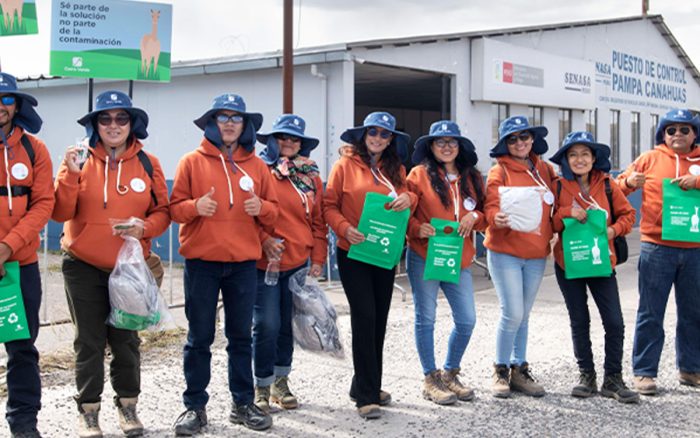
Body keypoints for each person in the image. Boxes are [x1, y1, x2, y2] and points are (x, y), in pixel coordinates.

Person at [53, 90, 170, 437]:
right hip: (83, 264)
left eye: (122, 118)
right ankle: (89, 412)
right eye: (105, 118)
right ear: (95, 125)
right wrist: (71, 175)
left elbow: (163, 212)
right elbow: (60, 212)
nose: (114, 125)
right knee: (88, 340)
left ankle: (128, 407)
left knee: (125, 339)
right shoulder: (76, 159)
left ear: (132, 124)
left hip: (131, 267)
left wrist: (144, 228)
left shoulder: (149, 163)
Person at [170, 94, 278, 435]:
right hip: (202, 262)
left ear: (245, 126)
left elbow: (275, 216)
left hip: (243, 264)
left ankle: (242, 403)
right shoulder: (191, 161)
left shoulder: (259, 167)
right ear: (212, 123)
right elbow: (174, 210)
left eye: (236, 118)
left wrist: (262, 207)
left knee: (240, 338)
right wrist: (193, 207)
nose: (230, 123)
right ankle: (194, 408)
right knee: (199, 338)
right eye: (222, 117)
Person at [324, 111, 414, 419]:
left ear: (391, 140)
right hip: (354, 251)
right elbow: (328, 205)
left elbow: (405, 195)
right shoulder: (344, 166)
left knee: (379, 319)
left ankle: (366, 384)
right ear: (364, 135)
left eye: (384, 134)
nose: (377, 138)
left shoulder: (396, 168)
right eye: (373, 132)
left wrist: (408, 198)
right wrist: (344, 228)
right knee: (364, 316)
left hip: (384, 253)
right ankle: (365, 396)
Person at [550, 131, 638, 403]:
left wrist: (614, 230)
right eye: (573, 154)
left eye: (585, 154)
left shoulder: (608, 184)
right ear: (566, 159)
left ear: (594, 158)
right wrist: (566, 213)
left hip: (601, 263)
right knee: (580, 320)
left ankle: (613, 377)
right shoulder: (558, 186)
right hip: (569, 263)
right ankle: (585, 375)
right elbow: (550, 223)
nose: (579, 159)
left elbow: (628, 215)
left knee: (614, 321)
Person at [617, 108, 700, 395]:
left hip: (695, 250)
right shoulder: (649, 159)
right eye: (671, 130)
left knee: (694, 311)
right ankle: (644, 372)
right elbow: (615, 190)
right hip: (656, 248)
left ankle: (691, 369)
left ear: (694, 134)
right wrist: (628, 183)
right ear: (662, 133)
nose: (677, 135)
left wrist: (697, 181)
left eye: (684, 129)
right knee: (651, 312)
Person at [405, 120, 486, 405]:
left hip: (458, 259)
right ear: (431, 146)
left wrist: (474, 217)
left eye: (452, 142)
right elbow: (406, 213)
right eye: (441, 142)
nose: (447, 147)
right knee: (425, 318)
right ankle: (431, 377)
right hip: (424, 256)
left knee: (466, 320)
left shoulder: (472, 177)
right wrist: (417, 229)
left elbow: (485, 213)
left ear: (460, 146)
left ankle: (451, 372)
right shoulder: (417, 175)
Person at [252, 114, 327, 412]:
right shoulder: (258, 170)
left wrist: (318, 257)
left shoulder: (310, 176)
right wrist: (262, 241)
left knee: (286, 325)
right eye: (282, 137)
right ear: (272, 139)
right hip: (264, 262)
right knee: (266, 324)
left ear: (301, 144)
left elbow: (318, 220)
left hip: (298, 261)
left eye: (294, 138)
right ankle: (261, 384)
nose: (287, 143)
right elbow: (248, 216)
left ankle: (281, 382)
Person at [484, 115, 557, 398]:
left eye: (524, 137)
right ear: (505, 143)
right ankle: (500, 369)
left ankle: (519, 369)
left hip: (536, 253)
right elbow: (490, 203)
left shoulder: (546, 169)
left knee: (524, 315)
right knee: (512, 312)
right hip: (505, 252)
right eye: (512, 138)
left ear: (533, 139)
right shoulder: (498, 171)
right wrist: (494, 217)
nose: (519, 143)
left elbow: (560, 199)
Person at [0, 72, 54, 438]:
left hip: (21, 267)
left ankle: (23, 421)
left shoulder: (36, 149)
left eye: (5, 99)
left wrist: (7, 246)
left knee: (21, 347)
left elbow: (43, 204)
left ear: (16, 105)